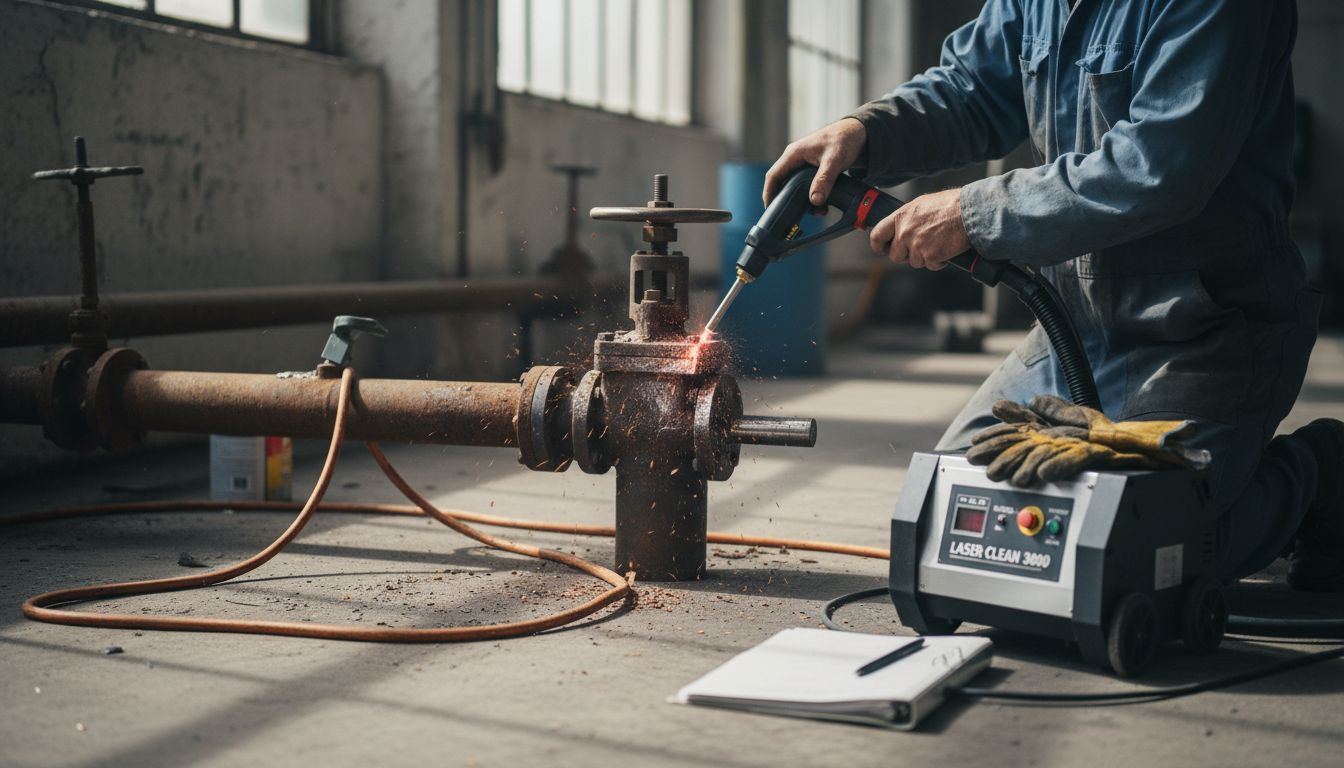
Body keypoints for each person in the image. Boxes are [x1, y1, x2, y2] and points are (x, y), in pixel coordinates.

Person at [764, 0, 1341, 590]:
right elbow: (971, 89)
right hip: (1078, 331)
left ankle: (1318, 472)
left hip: (1207, 330)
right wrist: (867, 132)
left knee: (1135, 561)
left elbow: (1159, 167)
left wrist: (972, 213)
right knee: (947, 530)